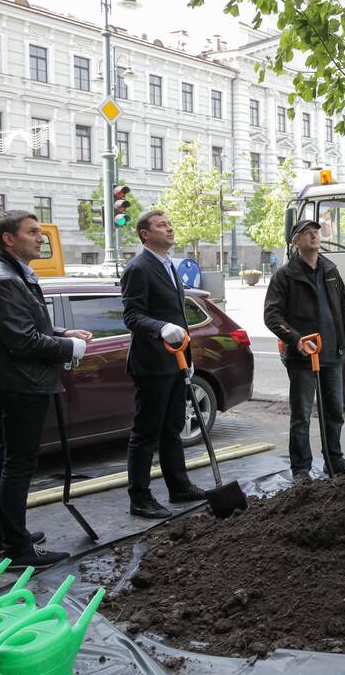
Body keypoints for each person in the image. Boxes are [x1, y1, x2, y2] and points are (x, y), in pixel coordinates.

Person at [0, 210, 91, 569]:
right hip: (20, 384)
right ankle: (17, 548)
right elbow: (21, 341)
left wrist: (61, 334)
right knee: (17, 464)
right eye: (33, 232)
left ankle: (4, 535)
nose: (41, 238)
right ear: (9, 239)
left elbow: (26, 327)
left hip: (12, 382)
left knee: (6, 459)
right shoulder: (6, 279)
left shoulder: (11, 273)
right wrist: (70, 349)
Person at [121, 210, 205, 519]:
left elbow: (179, 315)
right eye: (161, 225)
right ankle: (140, 497)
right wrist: (159, 328)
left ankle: (179, 486)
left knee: (172, 429)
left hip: (175, 361)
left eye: (170, 224)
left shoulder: (170, 265)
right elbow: (132, 315)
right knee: (145, 432)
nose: (169, 229)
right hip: (152, 364)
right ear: (145, 234)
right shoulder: (139, 268)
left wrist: (189, 360)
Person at [264, 219, 345, 483]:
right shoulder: (285, 275)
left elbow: (344, 307)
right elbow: (272, 315)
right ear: (296, 242)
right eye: (307, 233)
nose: (314, 236)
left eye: (316, 232)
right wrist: (296, 339)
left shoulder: (330, 269)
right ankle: (301, 469)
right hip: (302, 358)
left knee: (335, 411)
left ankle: (334, 459)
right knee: (302, 416)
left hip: (332, 354)